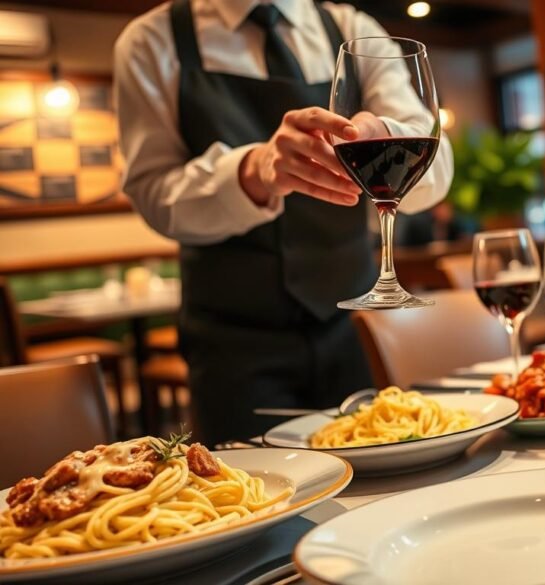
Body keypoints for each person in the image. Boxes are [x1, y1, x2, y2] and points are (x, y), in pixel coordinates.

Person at [114, 0, 453, 443]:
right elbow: (154, 195)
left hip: (355, 328)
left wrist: (384, 135)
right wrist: (253, 171)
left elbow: (438, 168)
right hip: (234, 347)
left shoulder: (351, 27)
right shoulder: (153, 41)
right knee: (252, 484)